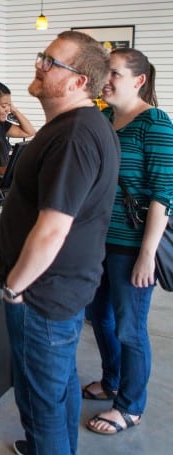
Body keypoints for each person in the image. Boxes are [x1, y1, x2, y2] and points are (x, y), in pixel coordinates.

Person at [0, 31, 120, 455]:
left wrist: (15, 287)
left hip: (43, 297)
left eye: (51, 61)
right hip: (62, 292)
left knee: (41, 410)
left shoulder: (74, 136)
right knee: (61, 384)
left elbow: (51, 231)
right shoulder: (79, 127)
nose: (39, 64)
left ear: (78, 80)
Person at [84, 49, 173, 434]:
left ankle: (131, 406)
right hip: (97, 242)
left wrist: (147, 254)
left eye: (115, 73)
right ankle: (113, 381)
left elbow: (164, 194)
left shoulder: (155, 123)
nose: (106, 80)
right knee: (99, 317)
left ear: (139, 80)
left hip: (132, 246)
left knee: (130, 327)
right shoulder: (103, 118)